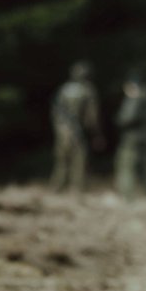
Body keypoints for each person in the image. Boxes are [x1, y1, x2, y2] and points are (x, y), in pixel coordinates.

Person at [50, 61, 104, 192]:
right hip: (77, 131)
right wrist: (96, 134)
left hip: (62, 131)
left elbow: (55, 111)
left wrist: (60, 128)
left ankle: (57, 188)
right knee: (79, 160)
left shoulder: (64, 89)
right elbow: (92, 117)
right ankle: (77, 189)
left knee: (62, 160)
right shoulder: (88, 90)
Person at [114, 70, 146, 200]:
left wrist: (118, 120)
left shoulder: (135, 96)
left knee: (126, 165)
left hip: (133, 137)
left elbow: (127, 118)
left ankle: (127, 195)